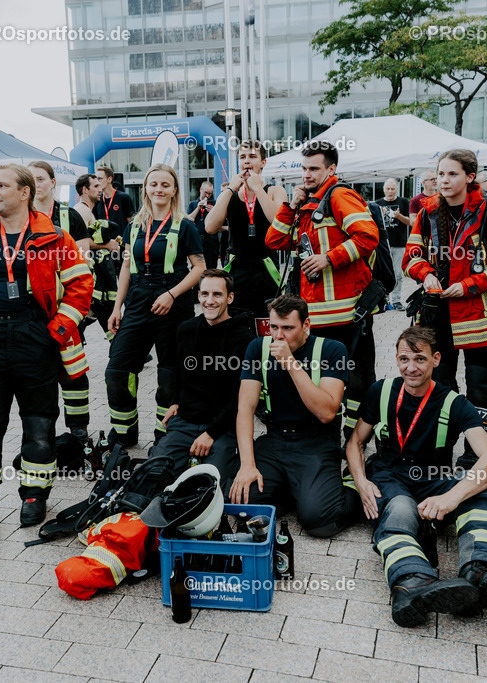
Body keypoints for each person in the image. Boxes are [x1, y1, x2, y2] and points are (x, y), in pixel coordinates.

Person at [0, 164, 93, 537]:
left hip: (35, 339)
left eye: (2, 185)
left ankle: (34, 496)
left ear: (24, 192)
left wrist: (55, 333)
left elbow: (81, 285)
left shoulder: (55, 237)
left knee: (39, 427)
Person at [345, 326, 487, 626]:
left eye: (420, 359)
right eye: (404, 359)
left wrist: (451, 498)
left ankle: (481, 570)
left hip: (434, 477)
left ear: (436, 359)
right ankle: (412, 583)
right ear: (396, 359)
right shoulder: (381, 391)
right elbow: (355, 443)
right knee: (400, 510)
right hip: (390, 474)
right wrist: (361, 481)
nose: (411, 368)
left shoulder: (454, 402)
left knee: (482, 489)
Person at [403, 149, 487, 466]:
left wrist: (469, 285)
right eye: (440, 174)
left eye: (452, 174)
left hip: (479, 315)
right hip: (436, 312)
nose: (444, 180)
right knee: (439, 383)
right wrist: (425, 274)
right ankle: (440, 447)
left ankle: (478, 454)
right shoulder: (427, 212)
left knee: (482, 386)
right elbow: (411, 256)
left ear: (470, 177)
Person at [267, 140, 379, 437]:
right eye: (304, 168)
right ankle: (330, 437)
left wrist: (328, 258)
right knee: (326, 378)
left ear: (331, 169)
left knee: (356, 379)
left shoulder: (339, 195)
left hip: (349, 315)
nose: (307, 174)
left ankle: (357, 440)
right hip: (317, 315)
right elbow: (274, 241)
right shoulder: (307, 203)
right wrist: (291, 206)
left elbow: (368, 236)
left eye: (314, 169)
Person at [230, 294, 358, 535]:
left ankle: (353, 486)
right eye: (274, 327)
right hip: (276, 438)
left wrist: (290, 363)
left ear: (306, 324)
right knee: (242, 503)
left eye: (288, 328)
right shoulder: (258, 347)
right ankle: (293, 489)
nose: (279, 336)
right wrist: (247, 465)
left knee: (319, 522)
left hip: (316, 441)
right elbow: (245, 409)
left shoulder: (332, 349)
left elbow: (326, 413)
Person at [106, 163, 206, 446]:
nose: (158, 189)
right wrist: (117, 307)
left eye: (165, 185)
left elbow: (200, 268)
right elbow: (126, 267)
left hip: (173, 301)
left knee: (170, 373)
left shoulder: (185, 225)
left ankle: (166, 436)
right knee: (117, 370)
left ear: (174, 190)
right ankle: (124, 432)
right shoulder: (134, 226)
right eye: (153, 184)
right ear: (145, 189)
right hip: (138, 300)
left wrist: (171, 294)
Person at [153, 269, 254, 474]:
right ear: (198, 296)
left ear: (230, 298)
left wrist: (211, 433)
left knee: (212, 480)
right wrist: (175, 401)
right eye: (205, 294)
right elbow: (179, 372)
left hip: (224, 428)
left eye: (217, 294)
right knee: (155, 473)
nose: (210, 301)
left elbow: (241, 398)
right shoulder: (186, 329)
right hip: (185, 422)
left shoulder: (245, 339)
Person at [29, 161, 94, 444]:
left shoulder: (70, 216)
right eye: (31, 180)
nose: (36, 185)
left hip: (66, 309)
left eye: (41, 179)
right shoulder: (19, 219)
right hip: (33, 314)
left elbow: (83, 262)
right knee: (39, 376)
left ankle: (78, 429)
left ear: (53, 182)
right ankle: (43, 434)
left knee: (72, 371)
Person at [206, 140, 290, 322]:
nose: (246, 161)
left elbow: (279, 222)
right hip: (236, 270)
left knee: (267, 323)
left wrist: (258, 188)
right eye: (242, 157)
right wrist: (230, 189)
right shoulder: (230, 194)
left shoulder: (275, 190)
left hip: (266, 268)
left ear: (263, 162)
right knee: (237, 323)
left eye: (252, 156)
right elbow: (210, 227)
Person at [77, 172, 121, 341]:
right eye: (95, 186)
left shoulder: (88, 211)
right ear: (85, 190)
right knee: (100, 311)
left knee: (100, 311)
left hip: (97, 274)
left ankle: (120, 346)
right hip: (89, 275)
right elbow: (81, 241)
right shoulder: (82, 211)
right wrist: (107, 245)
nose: (100, 189)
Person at [373, 178, 411, 311]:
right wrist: (381, 216)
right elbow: (372, 225)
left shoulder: (403, 202)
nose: (390, 191)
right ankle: (384, 300)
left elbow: (410, 222)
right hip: (382, 244)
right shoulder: (377, 204)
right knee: (382, 273)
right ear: (384, 189)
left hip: (399, 244)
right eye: (388, 189)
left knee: (398, 274)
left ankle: (396, 300)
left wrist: (399, 216)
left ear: (396, 189)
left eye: (392, 189)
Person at [187, 181, 217, 268]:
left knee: (211, 267)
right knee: (197, 266)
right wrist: (197, 208)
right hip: (197, 240)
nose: (207, 196)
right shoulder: (192, 204)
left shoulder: (214, 203)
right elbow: (188, 221)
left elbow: (220, 221)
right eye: (205, 192)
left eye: (210, 194)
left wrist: (214, 211)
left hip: (211, 240)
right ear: (200, 189)